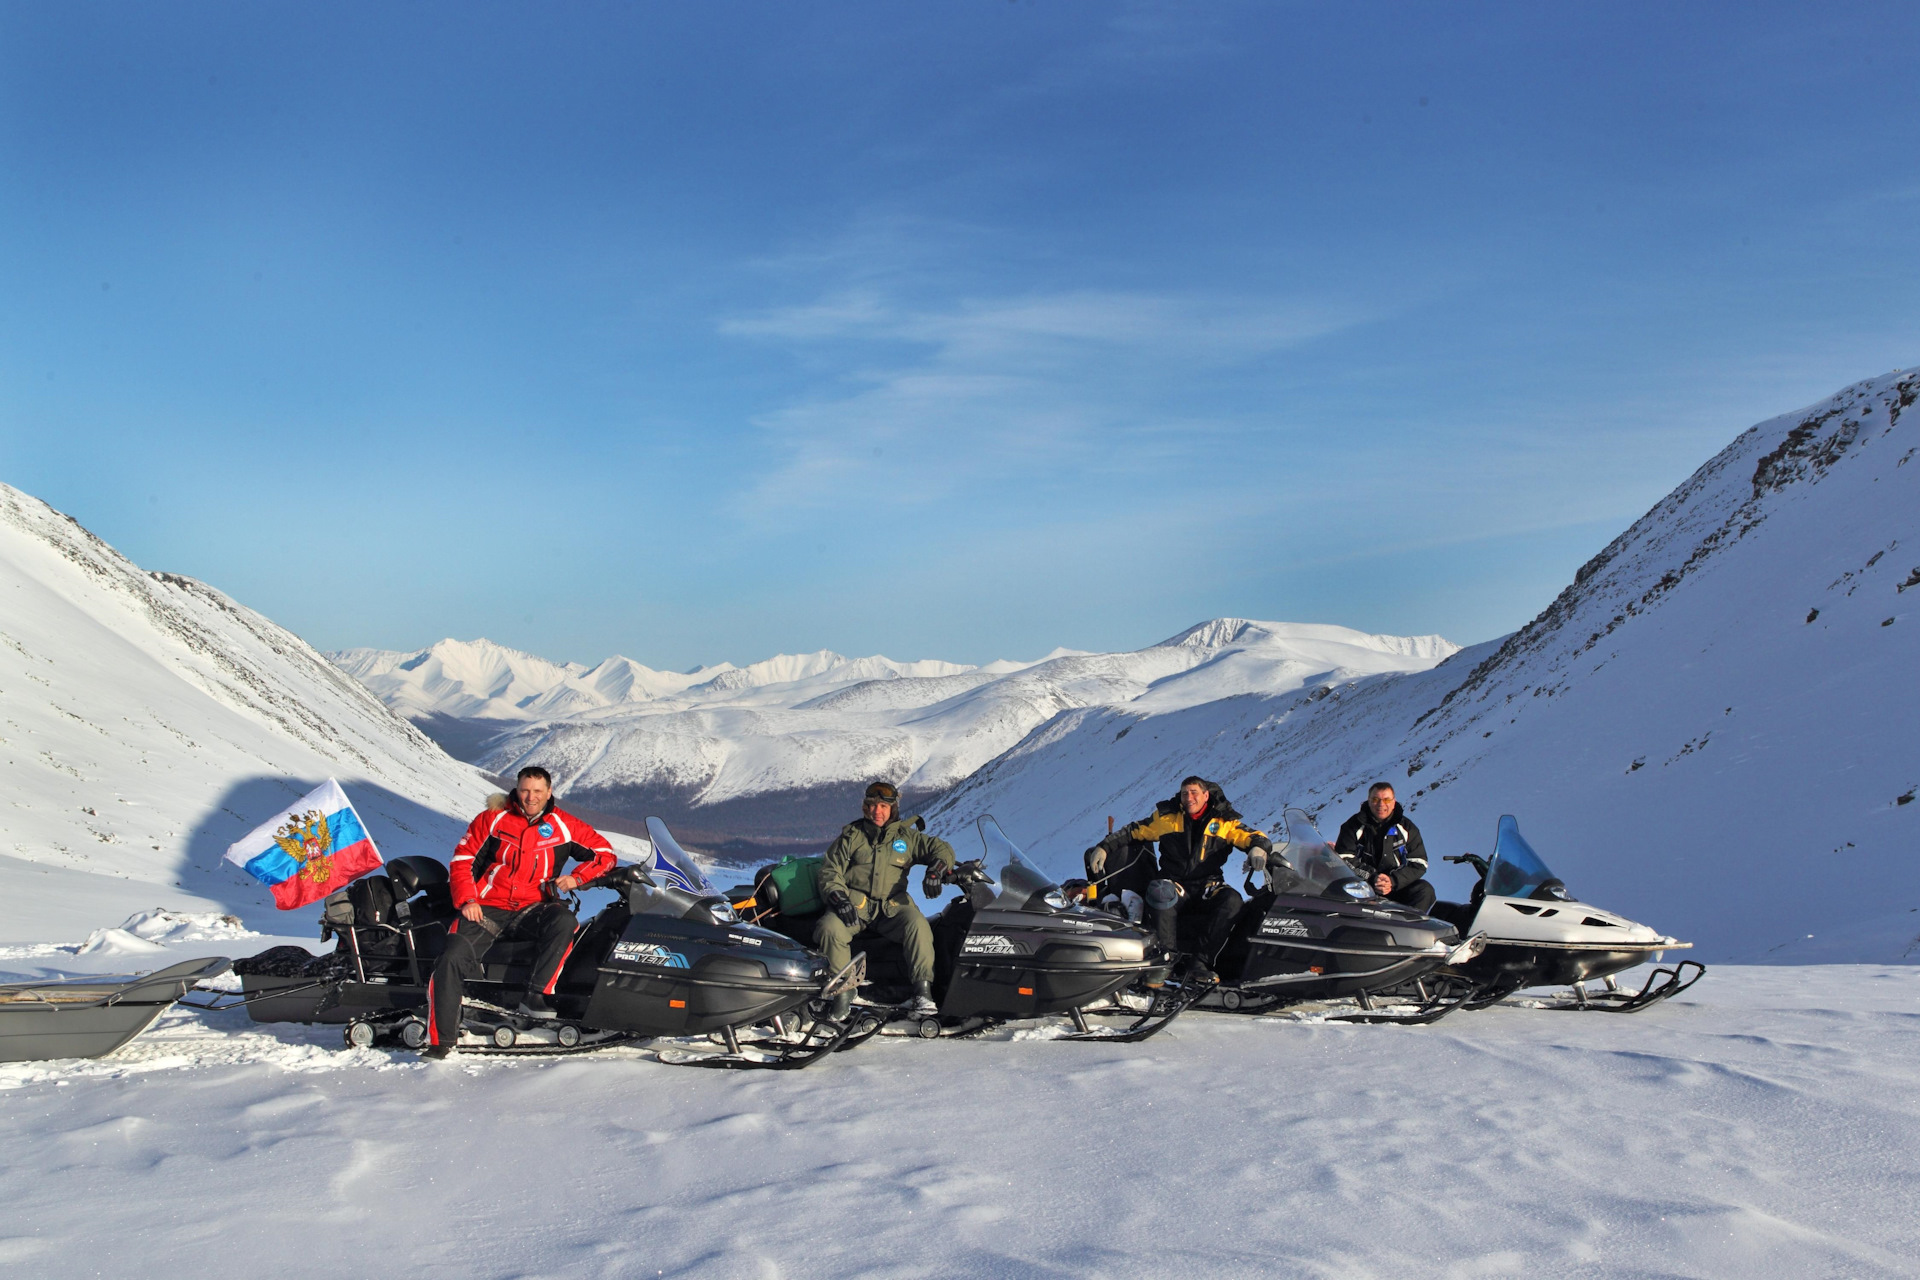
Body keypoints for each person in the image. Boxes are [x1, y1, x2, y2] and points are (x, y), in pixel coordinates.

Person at [425, 766, 616, 1057]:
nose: (531, 797)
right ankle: (441, 1040)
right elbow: (463, 860)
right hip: (487, 908)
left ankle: (536, 995)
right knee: (451, 957)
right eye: (526, 790)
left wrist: (577, 878)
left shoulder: (563, 825)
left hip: (533, 909)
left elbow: (605, 854)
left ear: (549, 792)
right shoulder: (492, 819)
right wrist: (467, 900)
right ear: (516, 788)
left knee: (565, 921)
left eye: (538, 791)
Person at [1088, 776, 1271, 984]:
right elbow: (1133, 831)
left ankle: (1200, 964)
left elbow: (1253, 836)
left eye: (1194, 793)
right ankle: (1165, 962)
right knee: (1159, 890)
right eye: (1185, 793)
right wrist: (1104, 847)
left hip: (1208, 885)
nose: (1189, 797)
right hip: (1174, 883)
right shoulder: (1167, 818)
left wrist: (1258, 849)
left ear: (1205, 795)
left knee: (1232, 900)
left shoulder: (1224, 822)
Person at [817, 781, 957, 1021]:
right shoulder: (852, 836)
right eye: (872, 805)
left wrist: (936, 870)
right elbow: (830, 872)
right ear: (865, 807)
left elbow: (941, 849)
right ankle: (842, 993)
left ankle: (922, 993)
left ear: (893, 808)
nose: (877, 811)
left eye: (883, 806)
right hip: (854, 907)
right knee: (829, 928)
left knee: (918, 925)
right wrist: (839, 898)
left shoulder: (907, 837)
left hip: (892, 908)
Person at [1333, 782, 1434, 914]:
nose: (1381, 805)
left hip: (1396, 887)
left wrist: (1393, 881)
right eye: (1375, 800)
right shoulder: (1352, 826)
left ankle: (1407, 928)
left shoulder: (1407, 828)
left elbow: (1419, 862)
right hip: (1363, 886)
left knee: (1424, 890)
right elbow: (1344, 858)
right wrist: (1372, 877)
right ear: (1368, 801)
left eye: (1386, 800)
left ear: (1394, 801)